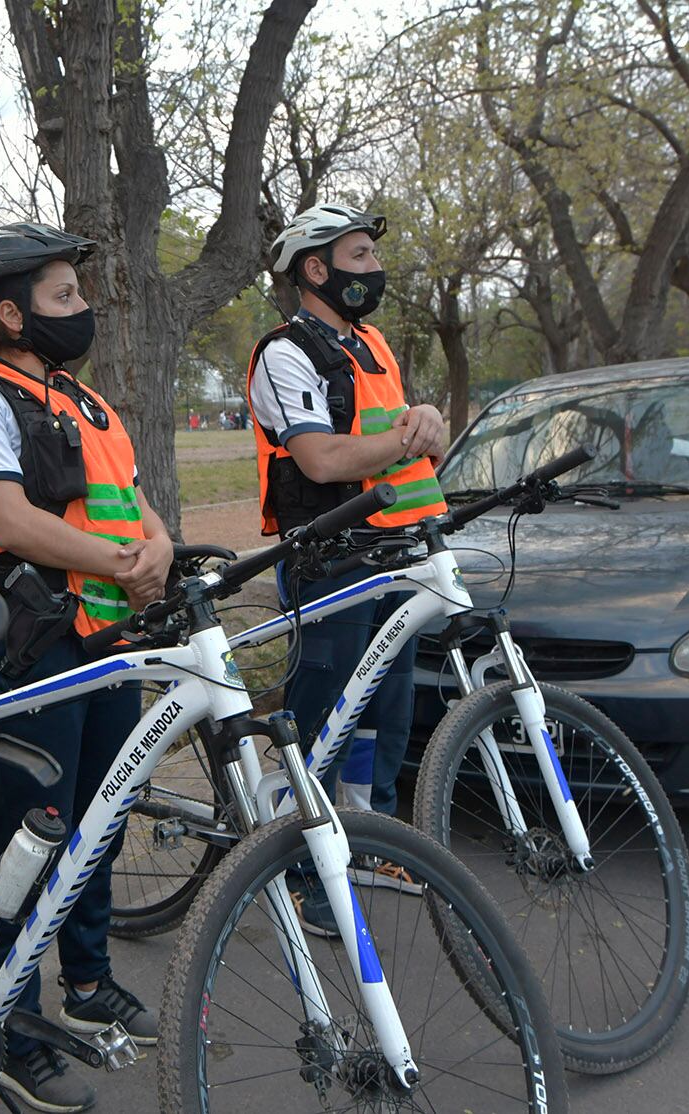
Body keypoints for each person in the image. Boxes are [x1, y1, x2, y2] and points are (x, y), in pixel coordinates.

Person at [0, 223, 170, 1112]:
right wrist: (122, 563)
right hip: (32, 646)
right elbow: (11, 520)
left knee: (101, 818)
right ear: (10, 311)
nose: (83, 309)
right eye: (64, 296)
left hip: (108, 636)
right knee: (30, 832)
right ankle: (10, 1018)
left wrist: (160, 549)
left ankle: (90, 978)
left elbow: (140, 508)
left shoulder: (88, 400)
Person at [244, 203, 448, 934]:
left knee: (385, 712)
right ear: (315, 269)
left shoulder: (374, 344)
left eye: (372, 256)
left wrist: (427, 424)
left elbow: (411, 439)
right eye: (360, 256)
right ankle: (300, 870)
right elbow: (322, 458)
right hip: (328, 558)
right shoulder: (285, 351)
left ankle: (368, 842)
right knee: (324, 717)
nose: (374, 270)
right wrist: (405, 439)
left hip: (395, 549)